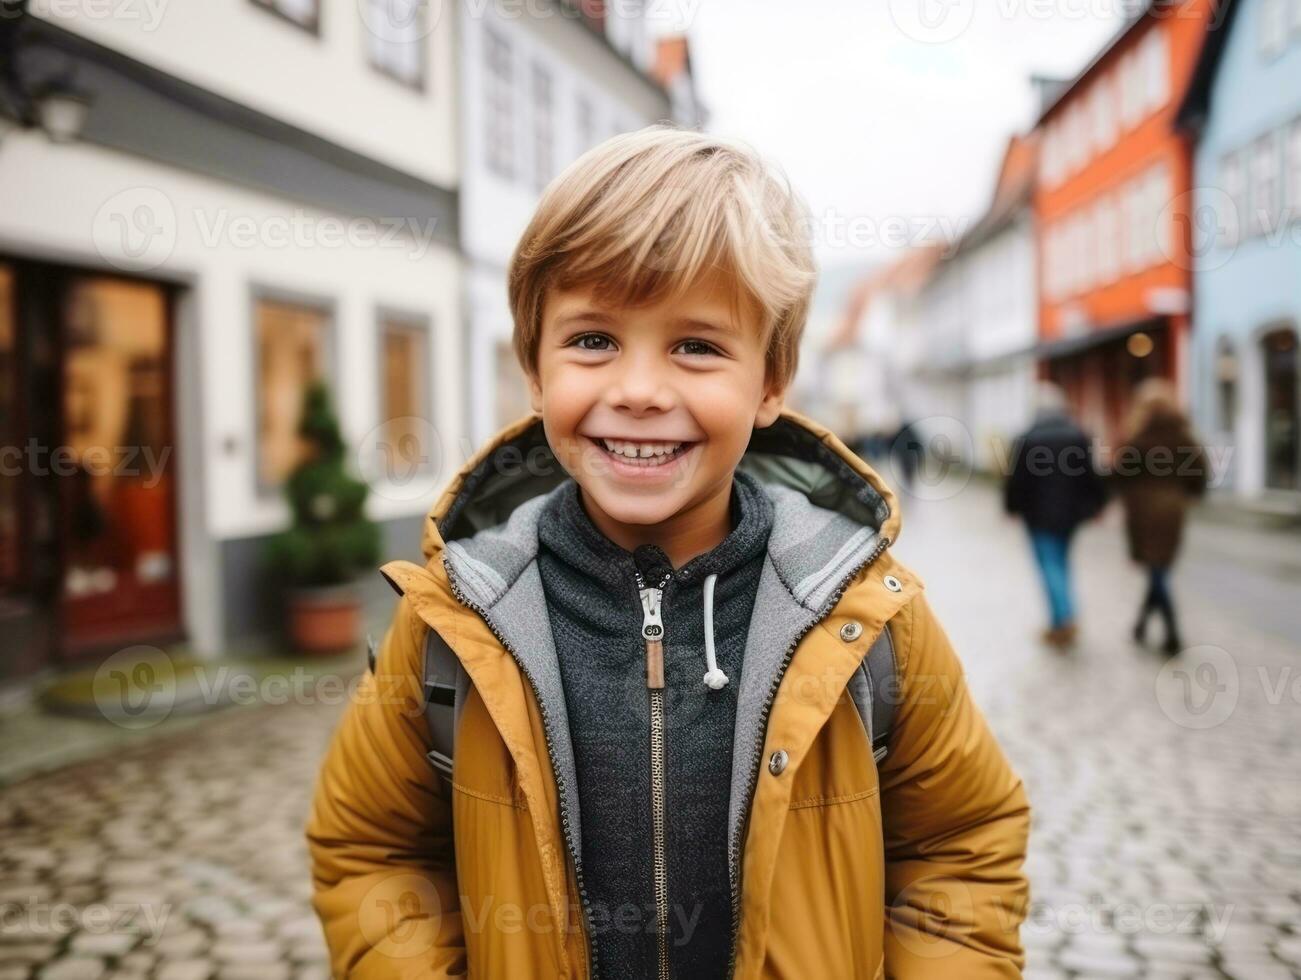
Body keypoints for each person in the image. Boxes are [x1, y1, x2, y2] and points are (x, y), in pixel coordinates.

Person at [305, 125, 1030, 978]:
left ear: (770, 381)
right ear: (534, 371)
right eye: (592, 340)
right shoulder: (458, 616)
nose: (640, 391)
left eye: (695, 346)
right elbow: (372, 850)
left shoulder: (864, 615)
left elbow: (962, 844)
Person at [1003, 383, 1108, 649]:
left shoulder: (1027, 438)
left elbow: (1016, 480)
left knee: (1049, 565)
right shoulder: (1077, 435)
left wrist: (1011, 507)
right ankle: (1059, 620)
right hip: (1070, 515)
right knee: (1061, 563)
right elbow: (1091, 475)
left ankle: (1064, 618)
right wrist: (1098, 505)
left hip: (1037, 515)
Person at [1110, 378, 1209, 656]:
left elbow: (1118, 476)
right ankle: (1141, 625)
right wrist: (1187, 495)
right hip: (1173, 509)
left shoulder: (1137, 438)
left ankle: (1172, 632)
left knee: (1157, 570)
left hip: (1142, 511)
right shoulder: (1184, 437)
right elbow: (1200, 475)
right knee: (1159, 568)